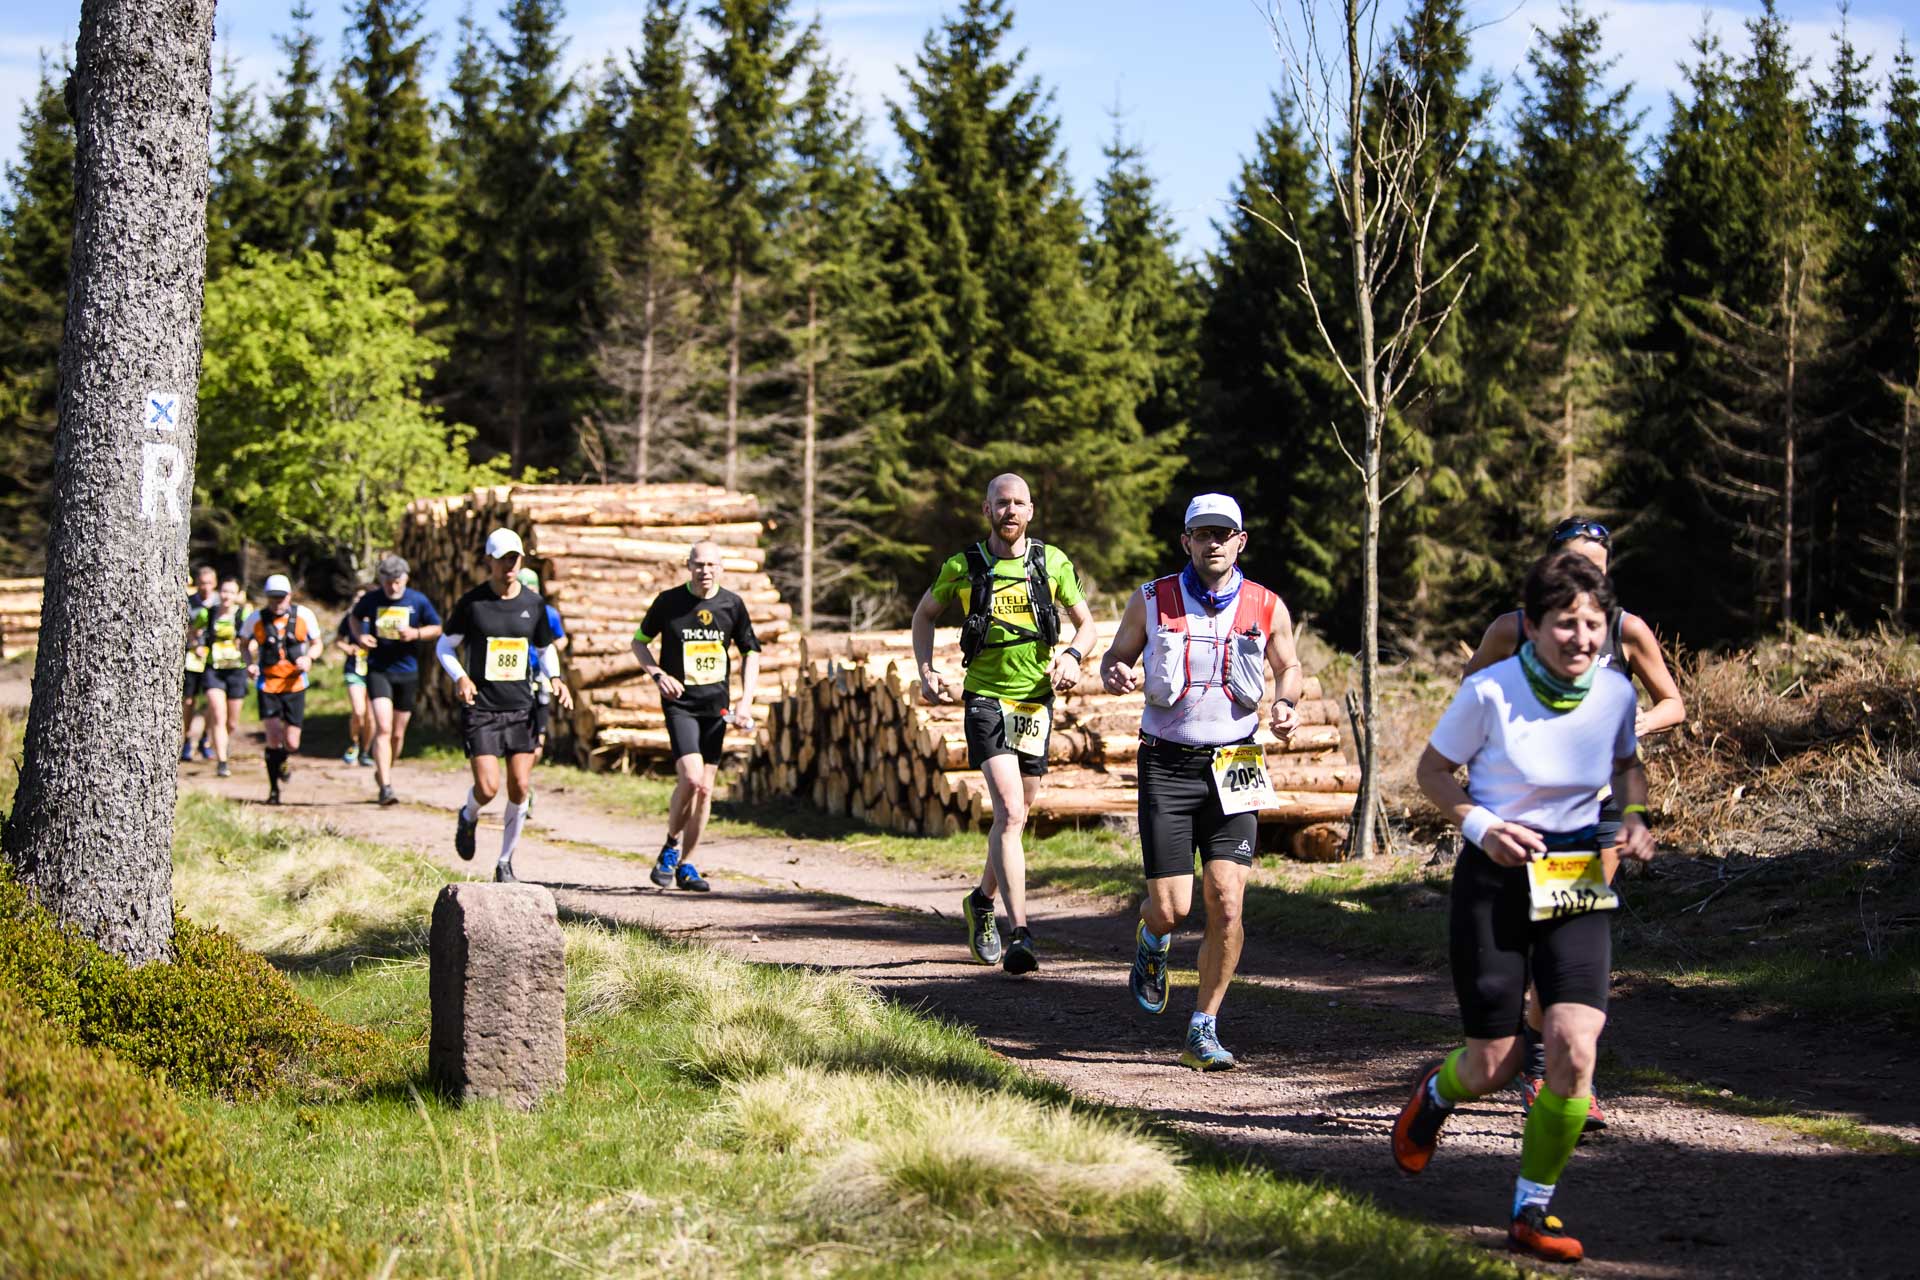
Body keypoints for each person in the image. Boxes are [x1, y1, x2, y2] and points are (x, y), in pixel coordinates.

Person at [1393, 550, 1657, 1265]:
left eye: (1594, 624)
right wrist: (1481, 825)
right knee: (1496, 1064)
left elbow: (1626, 766)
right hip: (1495, 878)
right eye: (1565, 624)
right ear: (1533, 626)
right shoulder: (1491, 690)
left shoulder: (1613, 694)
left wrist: (1634, 818)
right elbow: (1431, 771)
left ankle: (1532, 1207)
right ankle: (1438, 1097)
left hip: (1573, 871)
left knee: (1574, 1045)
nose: (1581, 638)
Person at [1462, 515, 1685, 1126]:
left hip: (1604, 803)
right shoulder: (1514, 628)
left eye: (1596, 564)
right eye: (1573, 563)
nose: (1586, 575)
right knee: (1546, 939)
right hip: (1528, 807)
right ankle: (1541, 1066)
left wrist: (1631, 724)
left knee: (1568, 935)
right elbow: (1471, 691)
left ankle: (1551, 1072)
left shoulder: (1626, 629)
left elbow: (1674, 702)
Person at [1100, 494, 1302, 1069]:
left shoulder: (1266, 605)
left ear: (1241, 541)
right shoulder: (1152, 598)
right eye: (1202, 533)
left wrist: (1287, 702)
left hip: (1238, 759)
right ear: (1185, 540)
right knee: (1171, 908)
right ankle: (1152, 940)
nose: (1213, 542)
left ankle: (1203, 1026)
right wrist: (1114, 669)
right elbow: (1117, 654)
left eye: (1224, 533)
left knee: (1228, 902)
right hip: (1167, 760)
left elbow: (1289, 667)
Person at [910, 473, 1098, 974]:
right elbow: (923, 615)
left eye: (1018, 504)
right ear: (986, 509)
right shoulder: (964, 564)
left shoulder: (1052, 562)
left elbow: (1088, 623)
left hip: (1035, 703)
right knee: (1012, 812)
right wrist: (927, 670)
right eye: (1001, 503)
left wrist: (1075, 656)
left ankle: (980, 900)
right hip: (986, 699)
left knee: (1017, 814)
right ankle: (1022, 934)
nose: (1010, 511)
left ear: (1030, 511)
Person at [436, 529, 571, 883]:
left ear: (521, 560)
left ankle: (505, 862)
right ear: (489, 562)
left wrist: (555, 678)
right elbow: (444, 647)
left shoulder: (533, 604)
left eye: (514, 558)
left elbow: (545, 648)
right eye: (501, 559)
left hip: (520, 706)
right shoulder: (473, 604)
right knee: (488, 787)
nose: (508, 565)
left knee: (520, 785)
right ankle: (469, 814)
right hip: (481, 707)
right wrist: (461, 678)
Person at [632, 542, 762, 894]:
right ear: (688, 566)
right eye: (699, 564)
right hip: (680, 704)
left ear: (721, 568)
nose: (705, 570)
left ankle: (687, 864)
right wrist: (658, 675)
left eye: (711, 565)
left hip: (715, 707)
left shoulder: (731, 604)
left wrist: (745, 702)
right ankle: (671, 845)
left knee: (705, 790)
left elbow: (751, 652)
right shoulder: (669, 602)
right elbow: (639, 642)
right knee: (690, 779)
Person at [349, 556, 443, 806]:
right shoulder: (372, 600)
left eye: (397, 582)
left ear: (406, 579)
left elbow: (437, 627)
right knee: (384, 727)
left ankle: (384, 771)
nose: (393, 587)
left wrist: (416, 634)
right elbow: (354, 618)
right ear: (381, 580)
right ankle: (387, 788)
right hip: (379, 670)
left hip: (408, 672)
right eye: (388, 582)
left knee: (397, 735)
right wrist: (360, 637)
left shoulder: (417, 600)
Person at [241, 574, 321, 805]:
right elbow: (244, 644)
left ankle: (284, 760)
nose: (277, 602)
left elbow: (317, 643)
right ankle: (274, 789)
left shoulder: (304, 615)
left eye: (281, 597)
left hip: (295, 684)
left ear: (290, 596)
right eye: (273, 598)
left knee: (292, 742)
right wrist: (250, 664)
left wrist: (309, 658)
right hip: (268, 684)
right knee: (273, 736)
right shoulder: (256, 619)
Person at [196, 576, 250, 778]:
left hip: (237, 669)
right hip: (213, 669)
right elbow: (193, 632)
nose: (227, 596)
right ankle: (222, 761)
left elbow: (253, 638)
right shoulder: (208, 613)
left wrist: (250, 647)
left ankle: (217, 742)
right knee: (219, 714)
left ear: (237, 596)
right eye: (224, 591)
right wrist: (198, 645)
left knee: (232, 723)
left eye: (231, 592)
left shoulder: (244, 614)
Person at [518, 566, 569, 760]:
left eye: (531, 590)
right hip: (516, 674)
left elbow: (561, 639)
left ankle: (536, 751)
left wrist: (551, 649)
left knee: (541, 713)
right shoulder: (510, 611)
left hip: (541, 673)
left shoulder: (549, 613)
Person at [180, 564, 220, 762]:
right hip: (192, 658)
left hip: (214, 659)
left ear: (215, 583)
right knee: (189, 700)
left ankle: (205, 738)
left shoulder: (220, 603)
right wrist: (193, 642)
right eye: (202, 583)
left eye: (209, 583)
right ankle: (187, 739)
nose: (205, 587)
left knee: (212, 702)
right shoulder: (188, 603)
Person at [335, 591, 377, 767]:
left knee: (371, 716)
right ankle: (354, 744)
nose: (359, 601)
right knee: (358, 711)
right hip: (355, 669)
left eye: (363, 597)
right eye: (356, 598)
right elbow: (338, 640)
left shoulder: (378, 616)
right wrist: (348, 648)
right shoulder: (350, 618)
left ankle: (366, 751)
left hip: (376, 670)